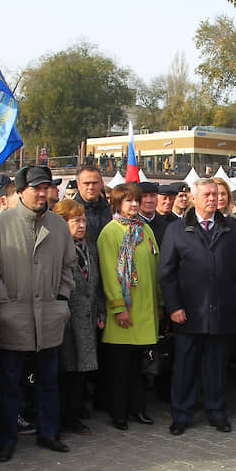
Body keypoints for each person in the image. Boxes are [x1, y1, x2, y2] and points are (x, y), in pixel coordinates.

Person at [0, 165, 76, 461]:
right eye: (37, 188)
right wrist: (3, 306)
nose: (43, 193)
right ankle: (6, 440)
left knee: (48, 381)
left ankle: (48, 432)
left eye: (47, 187)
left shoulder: (58, 226)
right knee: (9, 384)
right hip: (13, 318)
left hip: (49, 316)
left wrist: (61, 299)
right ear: (21, 192)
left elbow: (69, 266)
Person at [160, 178, 236, 435]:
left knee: (217, 367)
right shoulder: (177, 230)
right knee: (185, 367)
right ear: (194, 198)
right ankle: (181, 414)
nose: (213, 199)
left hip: (222, 311)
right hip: (188, 313)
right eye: (207, 195)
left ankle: (217, 412)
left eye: (216, 194)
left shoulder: (233, 228)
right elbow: (167, 273)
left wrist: (235, 294)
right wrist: (174, 306)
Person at [97, 183, 161, 430]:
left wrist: (160, 302)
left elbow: (155, 265)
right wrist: (118, 307)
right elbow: (109, 273)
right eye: (128, 201)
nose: (134, 205)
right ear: (116, 204)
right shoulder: (109, 232)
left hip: (145, 309)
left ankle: (138, 409)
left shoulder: (145, 229)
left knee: (139, 368)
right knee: (121, 369)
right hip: (124, 312)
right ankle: (119, 413)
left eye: (136, 201)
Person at [53, 199, 104, 433]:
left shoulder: (88, 247)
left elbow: (98, 282)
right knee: (66, 370)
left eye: (83, 220)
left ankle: (75, 413)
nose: (82, 225)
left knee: (78, 371)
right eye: (75, 221)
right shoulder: (57, 250)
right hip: (65, 320)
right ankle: (65, 417)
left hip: (87, 317)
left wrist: (100, 311)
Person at [73, 165, 112, 242]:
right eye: (86, 183)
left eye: (95, 183)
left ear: (102, 183)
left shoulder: (110, 210)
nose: (91, 187)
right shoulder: (70, 212)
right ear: (78, 185)